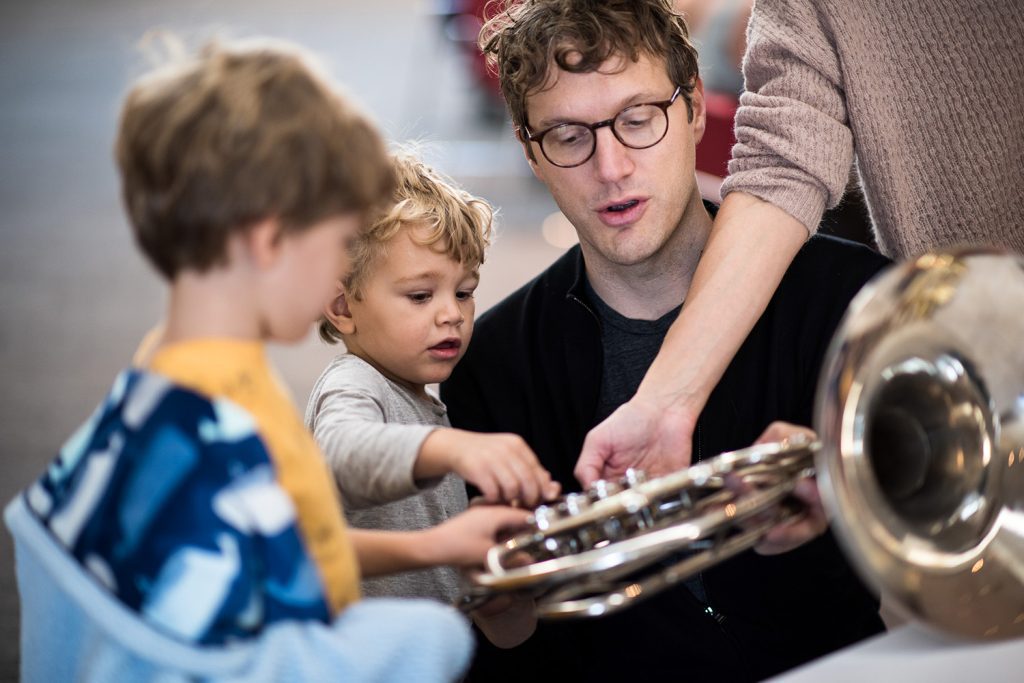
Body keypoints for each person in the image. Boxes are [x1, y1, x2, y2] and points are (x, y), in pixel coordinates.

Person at [14, 36, 529, 679]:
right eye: (336, 240)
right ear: (270, 241)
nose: (339, 272)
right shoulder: (219, 416)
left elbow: (280, 551)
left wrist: (438, 550)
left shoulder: (179, 371)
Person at [441, 1, 889, 679]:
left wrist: (848, 485)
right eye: (567, 135)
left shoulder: (850, 296)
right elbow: (511, 650)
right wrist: (498, 606)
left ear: (695, 110)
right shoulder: (491, 367)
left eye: (638, 118)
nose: (611, 167)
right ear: (530, 152)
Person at [577, 0, 1024, 487]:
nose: (610, 168)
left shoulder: (840, 288)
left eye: (637, 120)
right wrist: (664, 404)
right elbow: (782, 159)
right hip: (972, 376)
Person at [306, 151, 559, 608]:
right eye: (421, 296)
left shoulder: (425, 407)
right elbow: (339, 456)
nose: (452, 314)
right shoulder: (354, 382)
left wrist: (495, 584)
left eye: (464, 292)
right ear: (342, 307)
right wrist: (455, 448)